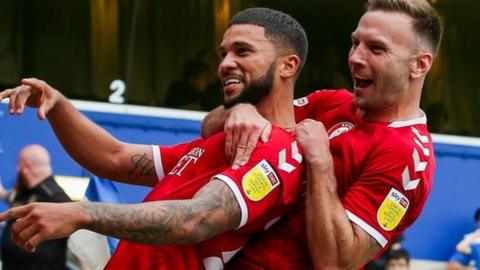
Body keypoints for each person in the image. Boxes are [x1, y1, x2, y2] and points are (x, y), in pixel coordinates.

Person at [0, 7, 308, 270]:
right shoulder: (220, 141)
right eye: (223, 53)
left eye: (243, 51)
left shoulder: (281, 152)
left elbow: (198, 219)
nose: (225, 63)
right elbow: (113, 157)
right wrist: (57, 104)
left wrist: (83, 213)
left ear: (288, 65)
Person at [202, 0, 441, 268]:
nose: (355, 58)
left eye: (376, 48)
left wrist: (319, 159)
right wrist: (240, 110)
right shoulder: (332, 102)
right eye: (355, 43)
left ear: (419, 64)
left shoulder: (407, 155)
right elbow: (209, 128)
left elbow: (337, 263)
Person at [0, 144, 71, 270]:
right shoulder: (26, 191)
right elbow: (11, 197)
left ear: (25, 168)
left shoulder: (56, 199)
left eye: (19, 165)